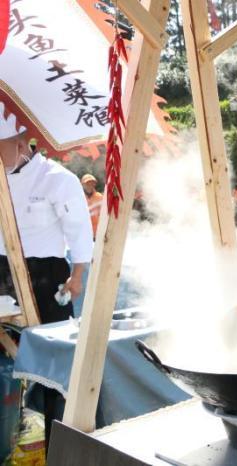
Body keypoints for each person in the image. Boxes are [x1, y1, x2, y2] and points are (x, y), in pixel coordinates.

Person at [0, 103, 93, 443]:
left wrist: (78, 275)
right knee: (6, 349)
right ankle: (13, 424)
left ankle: (60, 437)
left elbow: (79, 231)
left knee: (55, 356)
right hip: (3, 271)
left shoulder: (57, 179)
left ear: (21, 144)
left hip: (46, 273)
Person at [81, 173, 103, 239]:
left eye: (92, 183)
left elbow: (104, 214)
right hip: (81, 234)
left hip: (95, 234)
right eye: (87, 183)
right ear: (82, 184)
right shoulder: (78, 197)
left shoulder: (100, 197)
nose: (90, 185)